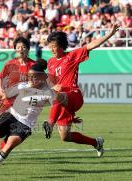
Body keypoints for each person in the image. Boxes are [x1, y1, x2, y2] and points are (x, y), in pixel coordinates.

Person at [0, 59, 64, 176]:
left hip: (25, 125)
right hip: (11, 116)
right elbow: (2, 96)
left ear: (42, 77)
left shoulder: (48, 92)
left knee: (8, 146)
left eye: (34, 77)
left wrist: (62, 118)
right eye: (29, 76)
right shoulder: (22, 85)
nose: (31, 79)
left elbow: (57, 106)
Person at [44, 23, 120, 157]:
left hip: (73, 95)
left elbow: (91, 45)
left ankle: (49, 124)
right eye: (50, 46)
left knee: (56, 94)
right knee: (65, 136)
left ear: (62, 46)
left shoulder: (71, 56)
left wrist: (109, 34)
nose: (52, 49)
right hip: (62, 102)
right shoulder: (50, 62)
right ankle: (96, 142)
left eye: (54, 46)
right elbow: (53, 84)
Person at [0, 36, 36, 148]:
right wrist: (0, 88)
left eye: (23, 47)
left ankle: (0, 153)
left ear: (27, 49)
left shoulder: (34, 66)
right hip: (7, 103)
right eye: (18, 47)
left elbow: (39, 84)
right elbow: (0, 77)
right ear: (15, 49)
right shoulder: (10, 64)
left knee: (11, 133)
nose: (21, 49)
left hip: (23, 106)